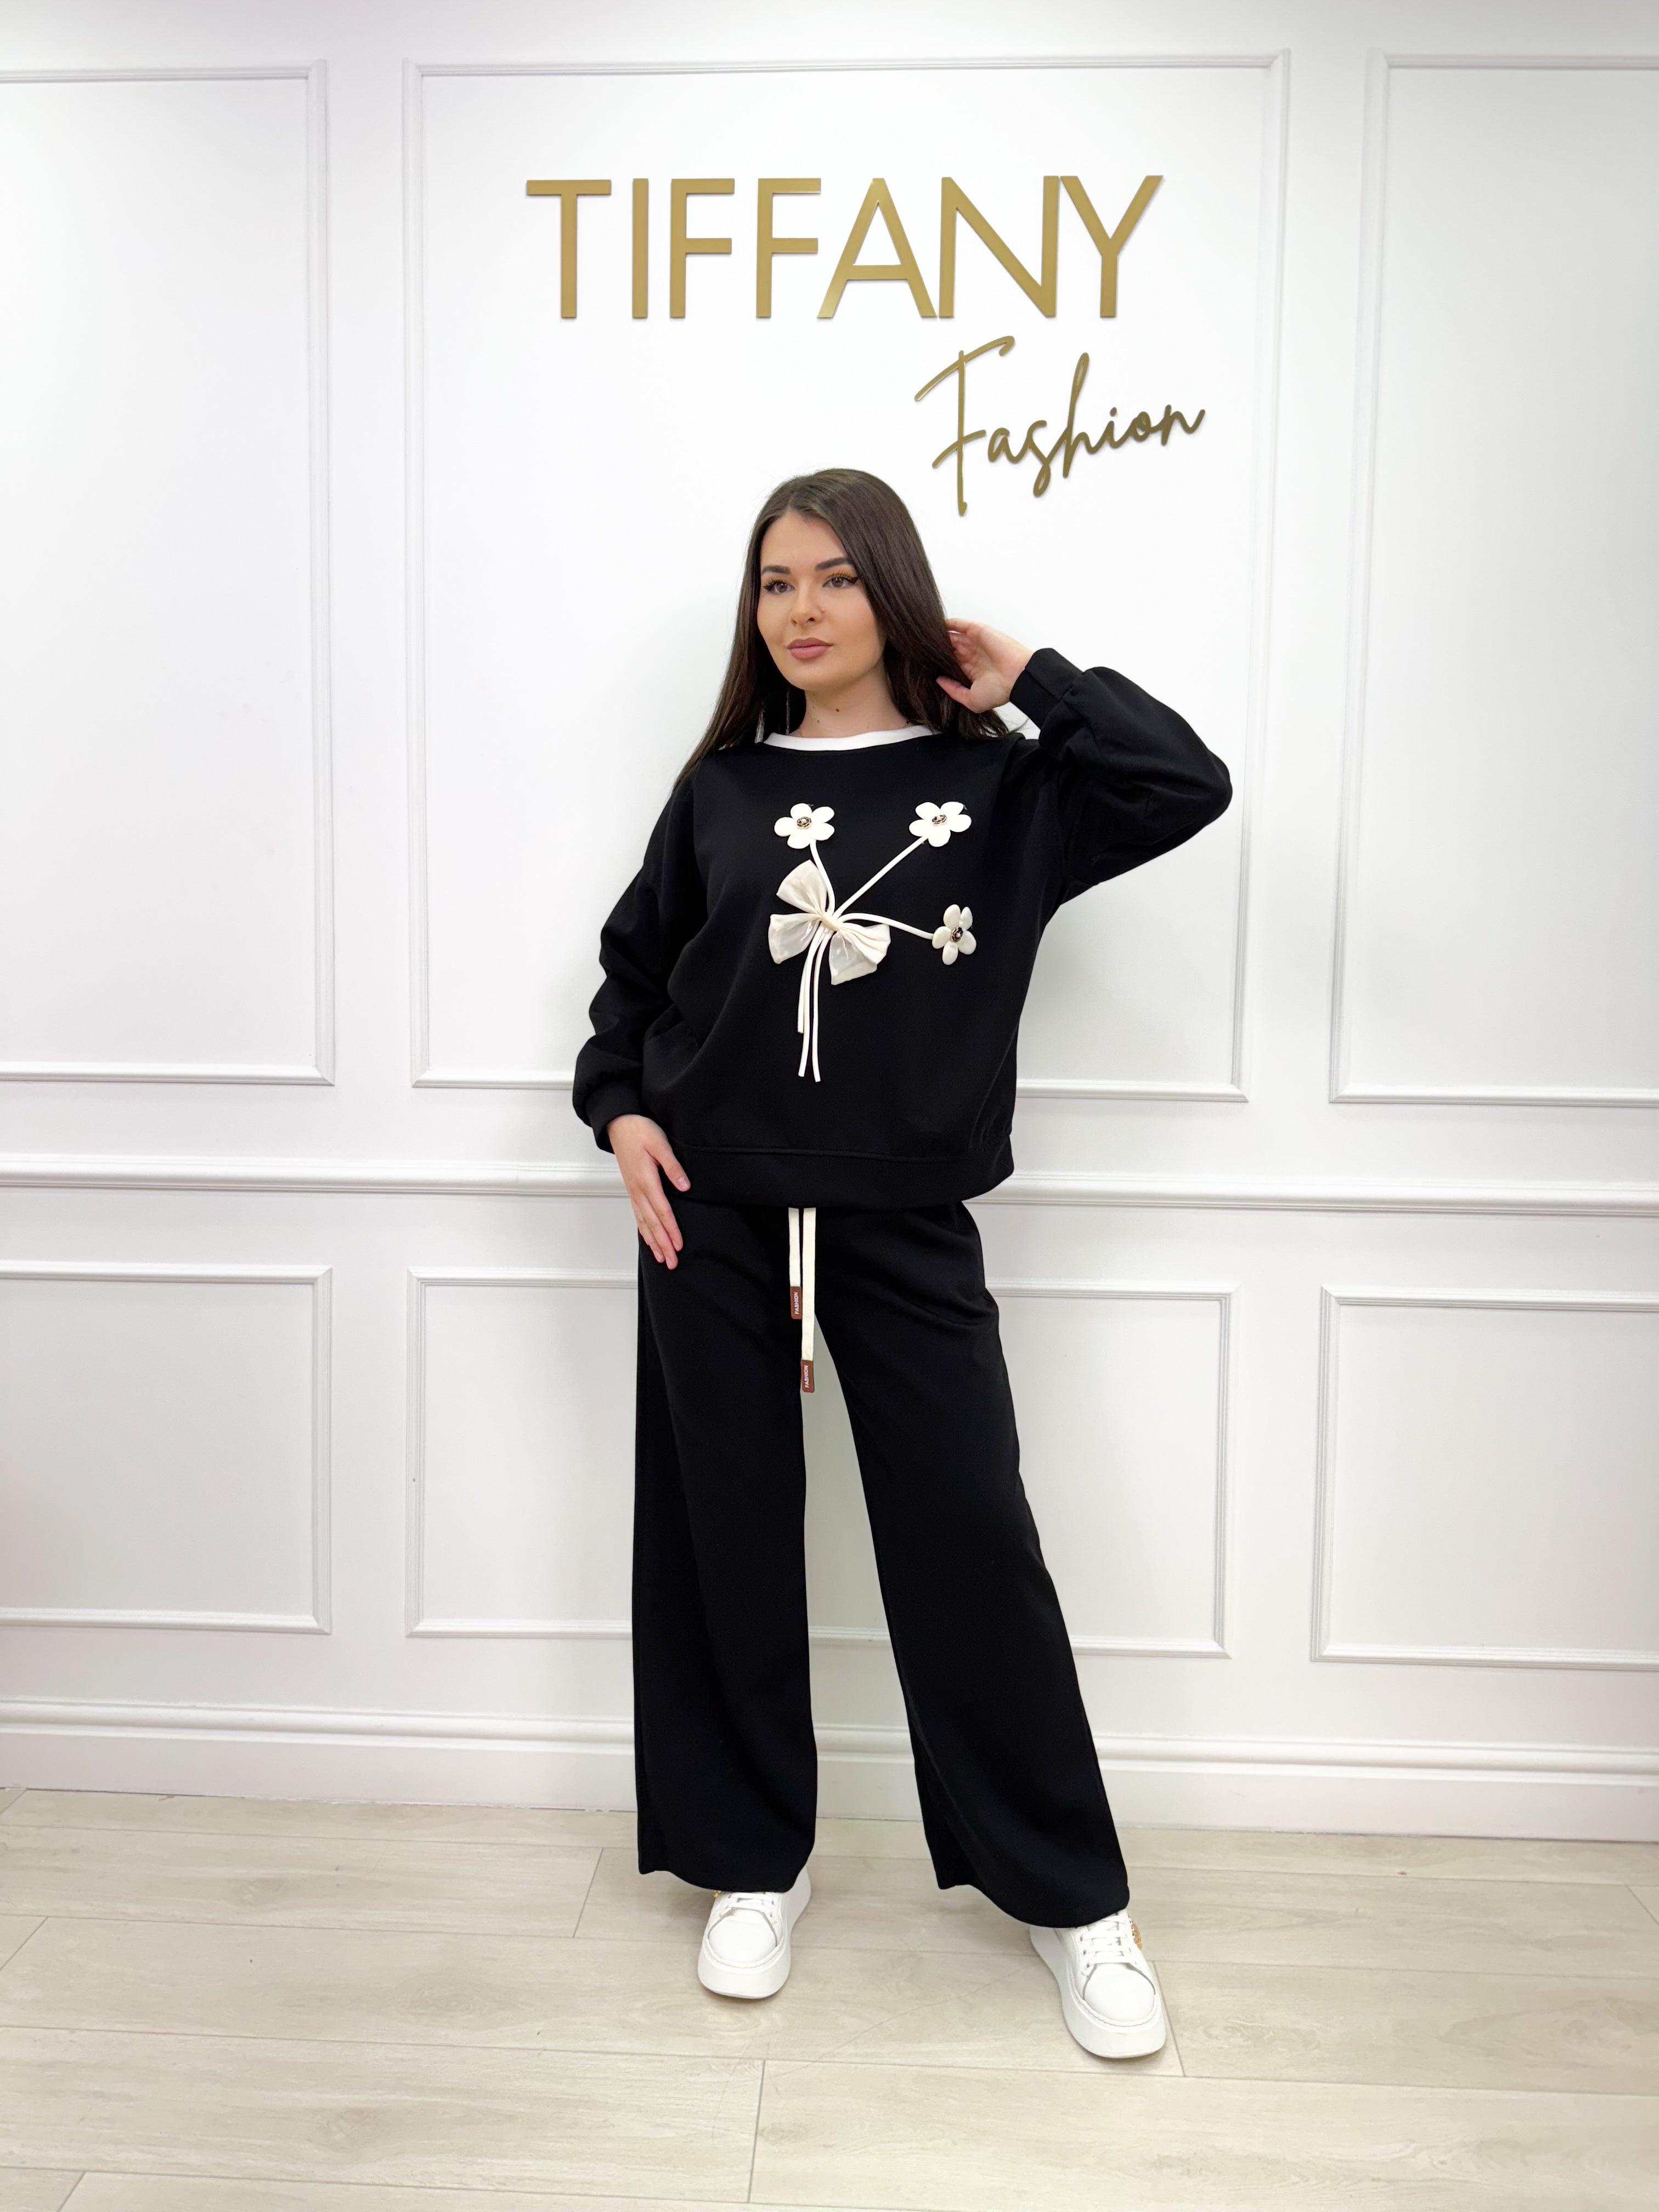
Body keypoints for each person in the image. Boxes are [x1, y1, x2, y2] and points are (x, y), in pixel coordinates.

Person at [570, 467, 1232, 2059]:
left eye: (836, 579)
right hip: (710, 1216)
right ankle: (752, 1862)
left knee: (969, 1539)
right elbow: (634, 978)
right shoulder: (723, 790)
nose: (800, 611)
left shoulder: (999, 786)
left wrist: (1036, 681)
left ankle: (1076, 1900)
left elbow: (1183, 783)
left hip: (905, 1218)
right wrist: (621, 1111)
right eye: (774, 583)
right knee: (722, 1537)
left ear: (895, 591)